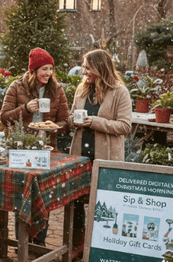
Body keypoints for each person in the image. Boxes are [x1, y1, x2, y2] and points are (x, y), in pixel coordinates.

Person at [0, 47, 70, 246]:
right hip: (22, 150)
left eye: (50, 69)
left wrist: (53, 128)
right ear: (33, 70)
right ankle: (22, 240)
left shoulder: (57, 89)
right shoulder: (16, 87)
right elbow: (4, 118)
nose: (48, 73)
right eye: (44, 69)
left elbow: (65, 121)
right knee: (22, 194)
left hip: (47, 148)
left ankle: (38, 240)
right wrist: (24, 109)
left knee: (43, 196)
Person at [68, 49, 132, 258]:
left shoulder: (119, 92)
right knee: (77, 200)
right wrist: (73, 121)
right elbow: (71, 116)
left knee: (104, 202)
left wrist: (95, 122)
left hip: (106, 157)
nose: (84, 71)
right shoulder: (82, 89)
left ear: (100, 68)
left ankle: (102, 244)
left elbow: (125, 126)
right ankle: (78, 243)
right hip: (80, 156)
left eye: (87, 67)